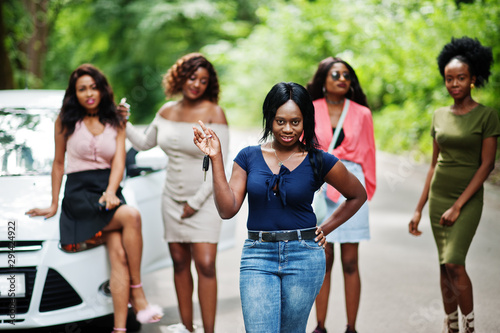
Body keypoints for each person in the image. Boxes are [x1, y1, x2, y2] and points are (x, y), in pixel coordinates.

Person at [192, 81, 367, 333]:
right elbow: (227, 209)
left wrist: (326, 228)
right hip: (257, 255)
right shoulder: (248, 157)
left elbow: (357, 195)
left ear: (305, 120)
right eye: (280, 121)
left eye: (295, 122)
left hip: (304, 256)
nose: (287, 129)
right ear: (269, 119)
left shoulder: (319, 160)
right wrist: (216, 158)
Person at [25, 64, 163, 332]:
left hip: (108, 192)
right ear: (74, 93)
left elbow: (119, 163)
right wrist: (54, 203)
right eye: (82, 89)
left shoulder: (117, 120)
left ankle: (120, 328)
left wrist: (112, 191)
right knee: (131, 215)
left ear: (102, 89)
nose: (89, 93)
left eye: (93, 87)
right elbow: (57, 164)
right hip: (79, 194)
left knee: (119, 256)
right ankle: (138, 292)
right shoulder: (65, 121)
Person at [124, 53, 228, 333]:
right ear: (180, 77)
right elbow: (145, 144)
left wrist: (194, 204)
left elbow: (221, 162)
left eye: (203, 81)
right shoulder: (166, 110)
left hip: (204, 200)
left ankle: (208, 330)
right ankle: (187, 328)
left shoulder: (214, 113)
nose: (196, 84)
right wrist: (125, 122)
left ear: (210, 85)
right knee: (180, 263)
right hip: (171, 199)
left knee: (206, 265)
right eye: (192, 77)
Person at [409, 37, 500, 333]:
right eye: (449, 79)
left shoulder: (486, 116)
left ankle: (470, 326)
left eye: (461, 77)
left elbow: (486, 164)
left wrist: (458, 205)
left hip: (467, 198)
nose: (454, 83)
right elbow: (433, 165)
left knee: (455, 262)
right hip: (439, 196)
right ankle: (451, 326)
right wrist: (419, 208)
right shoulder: (439, 115)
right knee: (443, 265)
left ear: (473, 79)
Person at [306, 57, 376, 333]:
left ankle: (351, 327)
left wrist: (366, 192)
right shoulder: (310, 109)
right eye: (335, 74)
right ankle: (320, 326)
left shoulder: (362, 113)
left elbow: (369, 154)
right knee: (324, 258)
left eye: (346, 75)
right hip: (321, 186)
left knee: (350, 261)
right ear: (323, 80)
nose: (341, 79)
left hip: (352, 189)